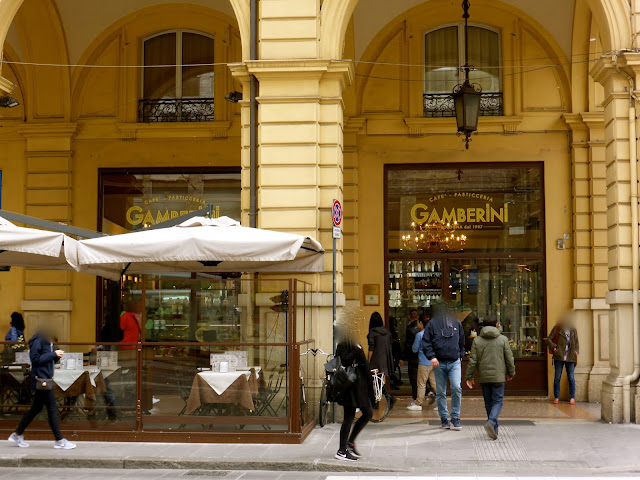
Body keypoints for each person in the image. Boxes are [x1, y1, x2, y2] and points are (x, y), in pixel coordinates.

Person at [7, 326, 76, 449]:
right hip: (41, 380)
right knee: (52, 409)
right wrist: (53, 354)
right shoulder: (38, 341)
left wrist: (56, 357)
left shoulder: (46, 341)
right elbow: (35, 359)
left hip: (45, 379)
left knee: (36, 409)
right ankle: (59, 440)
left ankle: (17, 434)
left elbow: (46, 361)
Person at [465, 315, 515, 440]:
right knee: (497, 401)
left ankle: (494, 429)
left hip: (484, 376)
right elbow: (509, 358)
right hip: (498, 376)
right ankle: (492, 422)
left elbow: (473, 360)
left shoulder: (477, 340)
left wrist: (469, 377)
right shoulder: (503, 339)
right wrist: (511, 372)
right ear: (496, 325)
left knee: (488, 402)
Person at [422, 302, 465, 430]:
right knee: (441, 391)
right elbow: (426, 342)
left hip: (454, 361)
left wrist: (461, 354)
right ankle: (444, 418)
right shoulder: (432, 324)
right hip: (439, 362)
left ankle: (455, 417)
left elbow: (462, 341)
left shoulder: (456, 323)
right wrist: (432, 356)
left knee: (456, 388)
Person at [334, 326, 375, 462]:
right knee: (349, 417)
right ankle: (341, 451)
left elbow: (363, 362)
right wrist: (357, 350)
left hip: (360, 385)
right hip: (350, 386)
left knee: (368, 413)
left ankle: (350, 443)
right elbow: (344, 360)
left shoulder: (354, 342)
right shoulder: (343, 344)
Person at [546, 312, 579, 405]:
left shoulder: (573, 329)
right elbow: (548, 339)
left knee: (571, 377)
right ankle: (557, 397)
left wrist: (576, 351)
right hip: (559, 356)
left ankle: (572, 397)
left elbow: (576, 342)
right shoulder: (557, 328)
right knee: (557, 377)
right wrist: (554, 347)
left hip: (570, 357)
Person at [407, 314, 436, 410]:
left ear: (421, 323)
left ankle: (418, 403)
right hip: (433, 362)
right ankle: (441, 402)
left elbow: (414, 349)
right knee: (434, 383)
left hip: (424, 362)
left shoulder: (419, 335)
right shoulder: (434, 333)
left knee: (421, 383)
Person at [404, 309, 420, 404]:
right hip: (422, 357)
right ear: (418, 317)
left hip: (413, 357)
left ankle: (416, 398)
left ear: (409, 317)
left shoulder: (410, 329)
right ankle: (429, 392)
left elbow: (408, 345)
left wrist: (404, 356)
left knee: (414, 378)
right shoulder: (422, 329)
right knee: (422, 379)